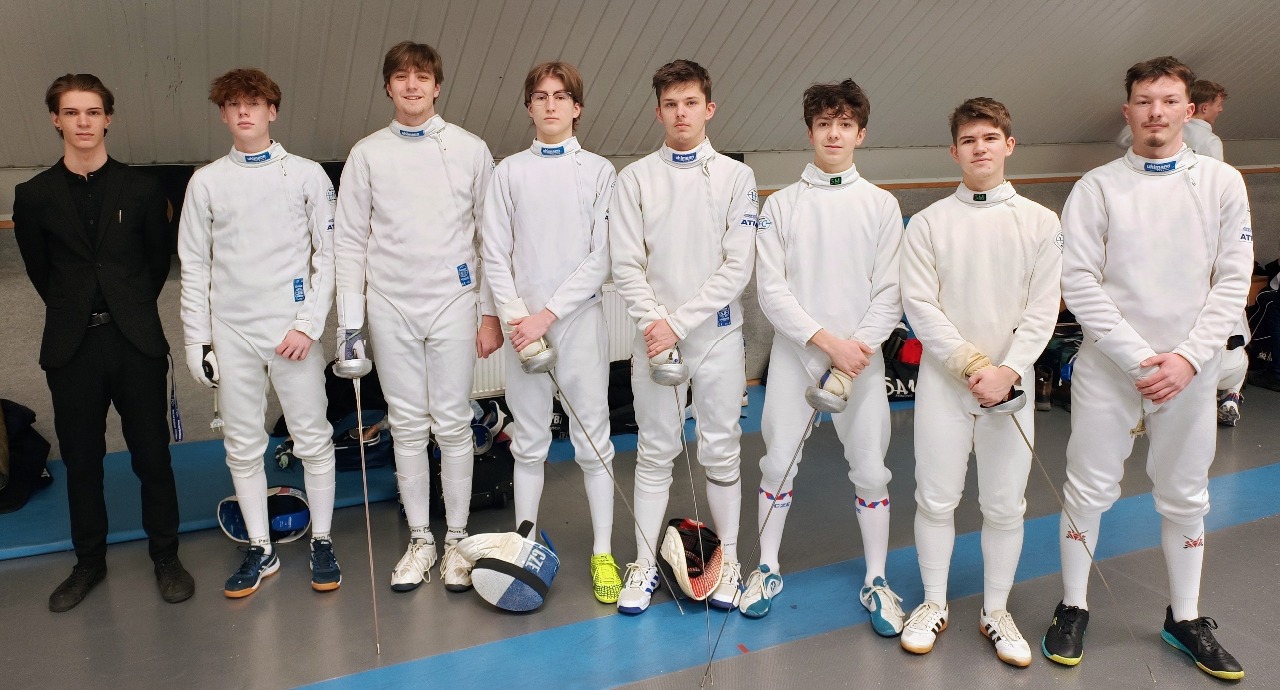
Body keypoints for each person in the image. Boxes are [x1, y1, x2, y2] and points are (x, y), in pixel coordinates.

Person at [1043, 56, 1251, 681]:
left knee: (1186, 494)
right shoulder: (1097, 187)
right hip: (1110, 370)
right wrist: (1138, 358)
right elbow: (1078, 280)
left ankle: (1185, 618)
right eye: (1143, 101)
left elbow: (1232, 279)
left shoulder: (1222, 183)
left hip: (1190, 371)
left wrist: (1187, 358)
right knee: (1087, 489)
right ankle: (1073, 606)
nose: (1155, 112)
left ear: (1189, 110)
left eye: (1168, 100)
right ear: (1128, 110)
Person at [13, 73, 194, 612]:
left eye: (93, 112)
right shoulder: (34, 195)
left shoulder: (142, 189)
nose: (83, 122)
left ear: (108, 118)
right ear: (56, 120)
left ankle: (166, 557)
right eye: (72, 112)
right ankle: (88, 563)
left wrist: (126, 308)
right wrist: (78, 310)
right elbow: (42, 273)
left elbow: (156, 263)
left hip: (134, 341)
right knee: (82, 462)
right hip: (72, 348)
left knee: (152, 457)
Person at [333, 41, 501, 593]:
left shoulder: (471, 149)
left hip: (452, 301)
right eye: (402, 77)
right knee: (405, 424)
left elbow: (491, 238)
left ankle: (457, 540)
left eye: (422, 77)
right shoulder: (367, 154)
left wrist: (489, 313)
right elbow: (349, 242)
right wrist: (350, 326)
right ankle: (421, 539)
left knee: (452, 422)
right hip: (390, 305)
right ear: (388, 86)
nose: (412, 86)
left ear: (436, 85)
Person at [899, 97, 1062, 667]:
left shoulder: (1040, 222)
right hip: (946, 387)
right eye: (969, 140)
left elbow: (1043, 308)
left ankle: (996, 611)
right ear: (954, 152)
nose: (980, 148)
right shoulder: (927, 224)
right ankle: (933, 603)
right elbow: (920, 306)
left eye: (990, 138)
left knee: (1005, 506)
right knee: (935, 499)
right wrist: (973, 367)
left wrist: (1007, 371)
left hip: (1010, 389)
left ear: (1008, 145)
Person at [745, 79, 906, 630]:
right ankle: (766, 567)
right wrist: (827, 344)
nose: (833, 134)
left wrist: (852, 353)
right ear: (810, 131)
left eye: (844, 124)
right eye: (823, 124)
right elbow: (771, 291)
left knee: (872, 471)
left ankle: (877, 579)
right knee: (776, 464)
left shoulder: (881, 205)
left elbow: (890, 291)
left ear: (861, 133)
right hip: (797, 358)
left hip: (861, 362)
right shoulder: (780, 205)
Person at [178, 68, 340, 598]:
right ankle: (260, 547)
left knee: (313, 438)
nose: (244, 111)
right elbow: (194, 266)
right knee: (242, 445)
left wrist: (308, 325)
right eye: (233, 104)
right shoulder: (205, 182)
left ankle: (322, 540)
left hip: (292, 333)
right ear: (223, 114)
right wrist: (198, 340)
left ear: (272, 110)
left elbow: (329, 256)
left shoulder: (307, 175)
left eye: (254, 102)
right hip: (232, 334)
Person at [610, 59, 757, 614]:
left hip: (716, 337)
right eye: (670, 105)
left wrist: (677, 322)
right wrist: (657, 324)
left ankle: (729, 562)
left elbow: (737, 267)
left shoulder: (737, 178)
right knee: (655, 451)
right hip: (654, 339)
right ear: (658, 112)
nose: (681, 114)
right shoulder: (635, 179)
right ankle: (643, 564)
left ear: (708, 109)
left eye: (690, 103)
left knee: (721, 450)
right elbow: (626, 263)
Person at [480, 61, 622, 604]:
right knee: (529, 442)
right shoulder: (508, 172)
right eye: (540, 96)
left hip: (578, 325)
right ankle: (524, 543)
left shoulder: (600, 172)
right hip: (523, 330)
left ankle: (603, 552)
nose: (551, 104)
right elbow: (495, 253)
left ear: (576, 107)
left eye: (561, 96)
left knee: (594, 443)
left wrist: (548, 315)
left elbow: (601, 256)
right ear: (529, 107)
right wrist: (518, 317)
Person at [1115, 79, 1226, 160]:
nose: (1221, 109)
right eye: (1219, 105)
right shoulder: (1210, 142)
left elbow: (1122, 140)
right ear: (1204, 108)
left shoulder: (1151, 127)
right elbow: (1215, 179)